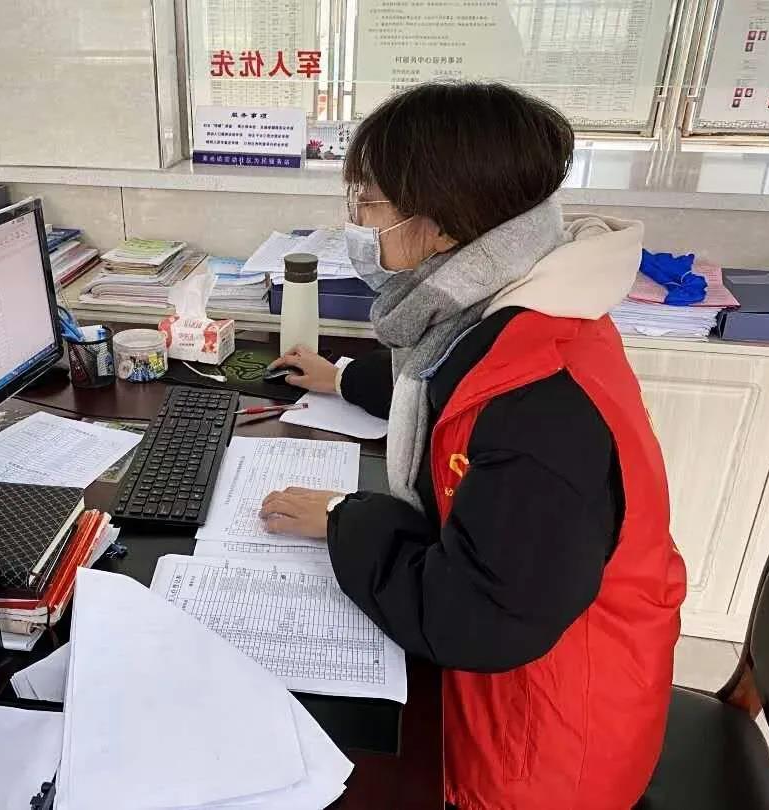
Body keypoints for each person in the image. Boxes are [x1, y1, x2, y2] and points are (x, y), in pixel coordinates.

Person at [260, 82, 687, 810]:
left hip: (540, 753)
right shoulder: (525, 303)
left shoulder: (539, 403)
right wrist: (344, 378)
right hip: (537, 685)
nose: (358, 223)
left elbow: (479, 619)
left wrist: (343, 517)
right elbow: (440, 382)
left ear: (444, 228)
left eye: (370, 204)